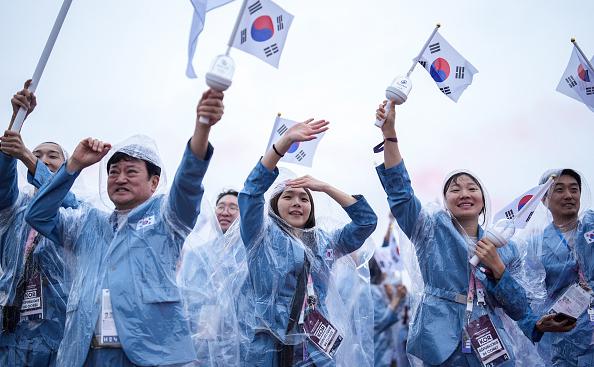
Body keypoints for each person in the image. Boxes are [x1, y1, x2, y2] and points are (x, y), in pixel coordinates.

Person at [25, 89, 225, 367]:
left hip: (148, 353)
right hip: (86, 352)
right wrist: (73, 166)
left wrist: (202, 127)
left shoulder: (167, 218)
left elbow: (189, 182)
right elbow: (38, 215)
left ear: (154, 183)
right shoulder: (89, 223)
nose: (120, 178)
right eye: (113, 171)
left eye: (131, 171)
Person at [373, 100, 574, 366]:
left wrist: (499, 270)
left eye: (472, 188)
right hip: (438, 340)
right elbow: (400, 193)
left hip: (490, 344)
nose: (464, 194)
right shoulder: (429, 229)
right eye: (455, 189)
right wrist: (390, 135)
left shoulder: (506, 247)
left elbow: (517, 306)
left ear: (483, 200)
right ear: (445, 200)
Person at [236, 118, 378, 366]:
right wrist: (283, 144)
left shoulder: (326, 242)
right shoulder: (260, 236)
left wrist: (324, 187)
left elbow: (366, 222)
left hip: (314, 348)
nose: (297, 203)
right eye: (288, 196)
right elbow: (250, 193)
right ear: (274, 206)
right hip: (268, 347)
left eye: (304, 198)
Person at [0, 82, 78, 366]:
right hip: (11, 329)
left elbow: (63, 201)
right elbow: (1, 184)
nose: (42, 159)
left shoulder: (78, 209)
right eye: (38, 153)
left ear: (68, 166)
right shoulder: (14, 208)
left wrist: (30, 160)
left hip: (57, 329)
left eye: (52, 156)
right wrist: (15, 123)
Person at [529, 169, 594, 366]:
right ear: (543, 199)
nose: (568, 195)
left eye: (574, 189)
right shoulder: (535, 245)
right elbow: (532, 296)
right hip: (565, 337)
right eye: (559, 189)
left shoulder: (590, 227)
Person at [177, 188, 245, 366]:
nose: (225, 212)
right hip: (202, 341)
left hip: (241, 340)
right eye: (221, 206)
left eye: (233, 207)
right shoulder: (197, 254)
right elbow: (185, 299)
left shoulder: (249, 253)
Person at [368, 257, 406, 367]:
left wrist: (392, 298)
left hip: (383, 352)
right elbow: (380, 323)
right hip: (378, 352)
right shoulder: (371, 291)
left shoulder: (375, 289)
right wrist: (396, 299)